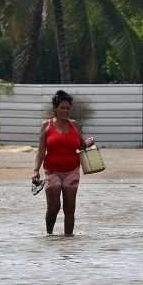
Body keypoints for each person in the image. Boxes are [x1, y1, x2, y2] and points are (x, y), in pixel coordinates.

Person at [32, 90, 95, 236]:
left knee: (69, 208)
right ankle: (49, 234)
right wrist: (36, 170)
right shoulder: (46, 126)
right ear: (55, 108)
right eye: (62, 108)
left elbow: (80, 146)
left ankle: (68, 239)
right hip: (52, 171)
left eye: (68, 108)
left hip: (72, 171)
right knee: (53, 207)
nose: (65, 111)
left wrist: (88, 143)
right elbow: (41, 150)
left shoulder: (74, 125)